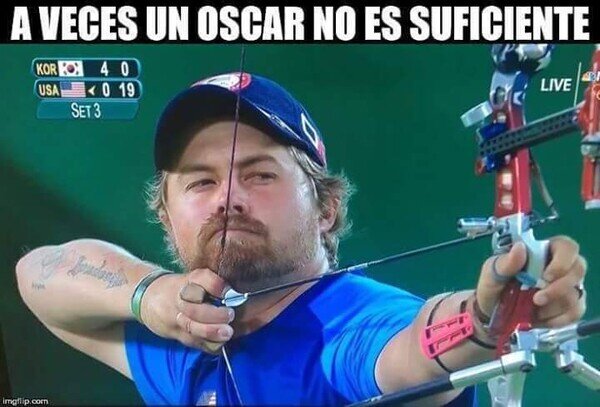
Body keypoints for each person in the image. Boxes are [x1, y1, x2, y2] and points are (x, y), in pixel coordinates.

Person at [16, 72, 587, 406]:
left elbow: (415, 350)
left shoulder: (348, 326)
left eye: (260, 175)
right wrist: (151, 295)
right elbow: (38, 272)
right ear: (166, 219)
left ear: (326, 210)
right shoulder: (183, 339)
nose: (227, 198)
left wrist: (485, 319)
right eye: (201, 182)